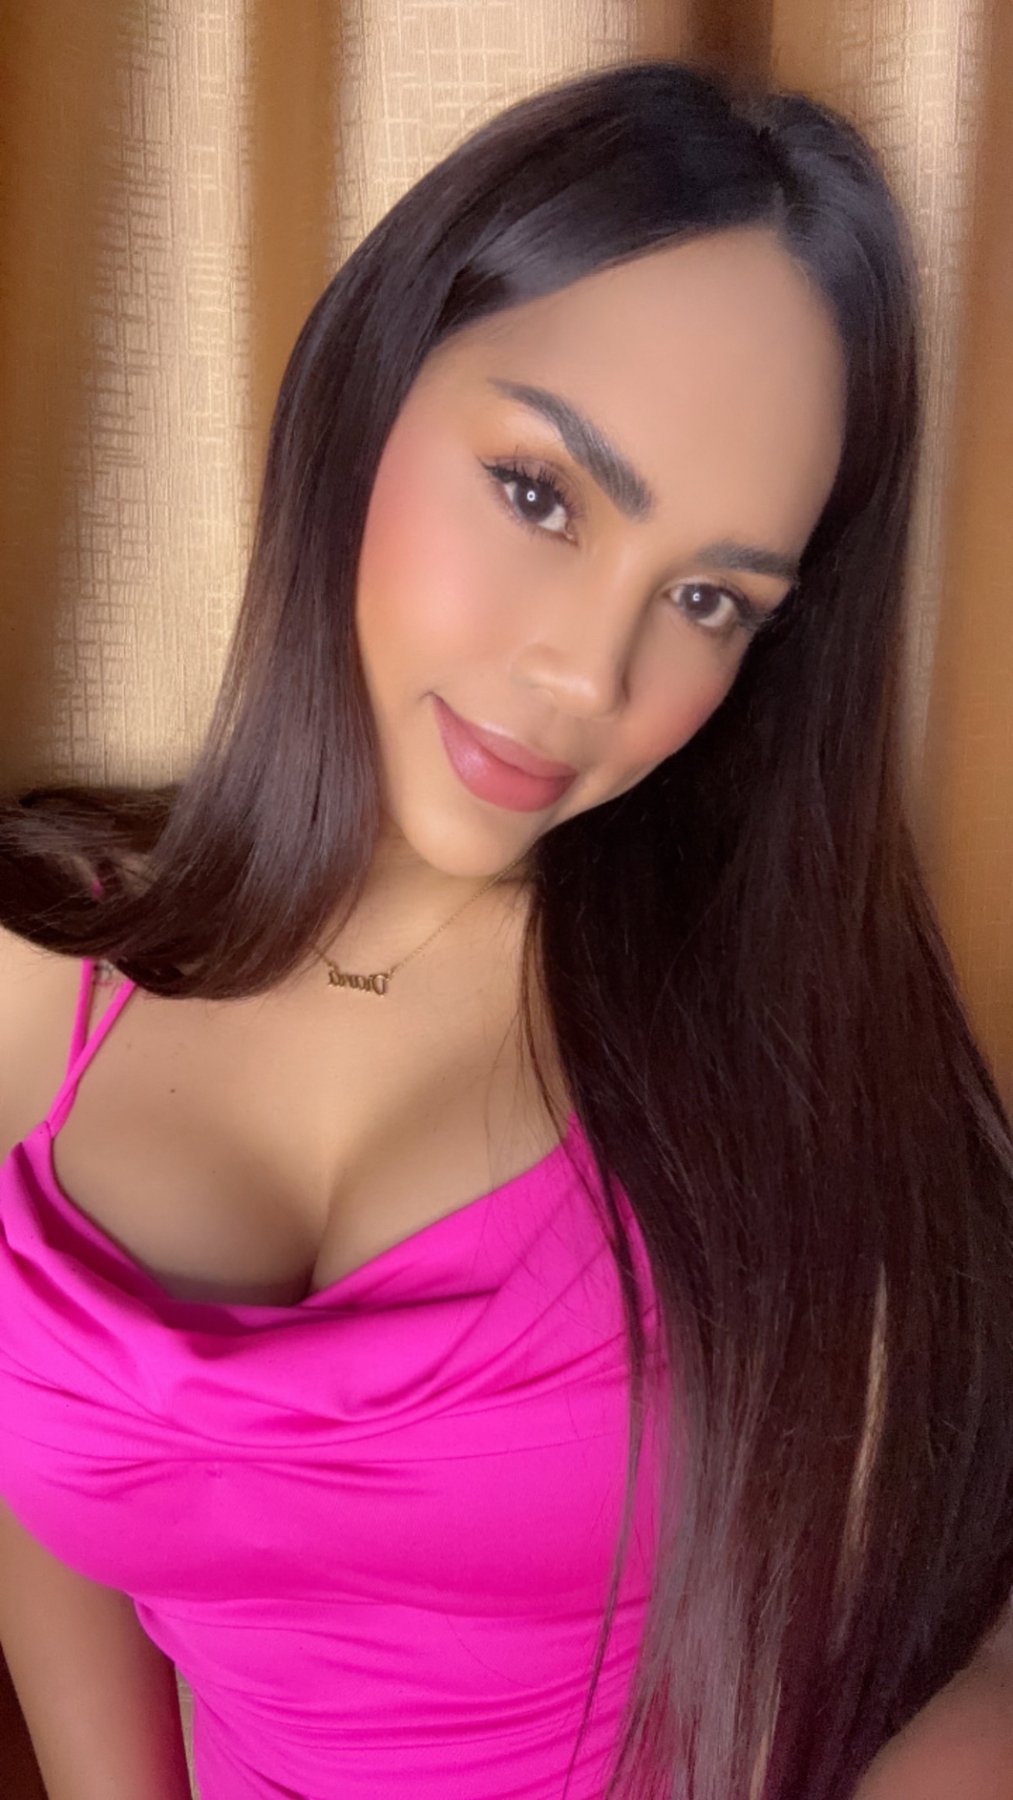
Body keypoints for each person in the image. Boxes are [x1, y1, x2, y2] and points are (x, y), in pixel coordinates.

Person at [0, 55, 1011, 1800]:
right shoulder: (39, 969)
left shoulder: (784, 1053)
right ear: (365, 391)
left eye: (707, 599)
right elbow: (45, 1500)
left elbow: (966, 1611)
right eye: (541, 493)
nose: (587, 676)